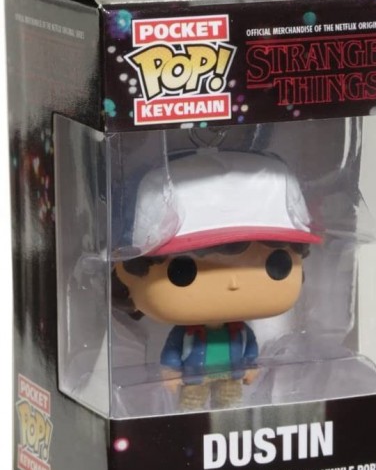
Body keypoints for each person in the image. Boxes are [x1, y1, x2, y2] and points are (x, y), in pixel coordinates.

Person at [114, 149, 320, 410]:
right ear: (127, 269)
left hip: (231, 377)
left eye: (276, 265)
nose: (233, 282)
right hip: (194, 379)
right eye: (184, 271)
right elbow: (172, 352)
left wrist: (250, 365)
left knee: (230, 406)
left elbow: (249, 348)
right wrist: (171, 371)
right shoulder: (188, 332)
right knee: (191, 407)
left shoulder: (240, 332)